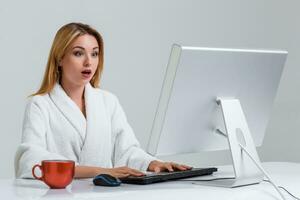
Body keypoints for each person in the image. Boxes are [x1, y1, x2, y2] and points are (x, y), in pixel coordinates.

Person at [14, 22, 191, 179]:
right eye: (78, 53)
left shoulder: (108, 101)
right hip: (61, 195)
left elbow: (127, 150)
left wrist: (153, 163)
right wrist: (96, 171)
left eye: (95, 54)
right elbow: (31, 159)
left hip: (103, 192)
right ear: (60, 58)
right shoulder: (40, 104)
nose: (88, 62)